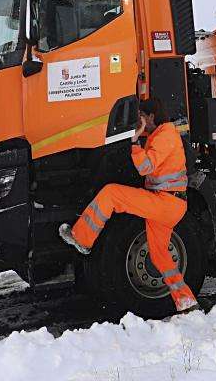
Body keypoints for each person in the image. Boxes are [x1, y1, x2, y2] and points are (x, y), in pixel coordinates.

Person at [59, 97, 198, 313]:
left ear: (152, 116)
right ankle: (186, 300)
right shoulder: (160, 135)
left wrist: (134, 142)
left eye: (142, 116)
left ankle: (82, 238)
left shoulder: (166, 135)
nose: (139, 121)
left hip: (166, 202)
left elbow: (145, 167)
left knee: (112, 194)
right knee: (160, 257)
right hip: (168, 202)